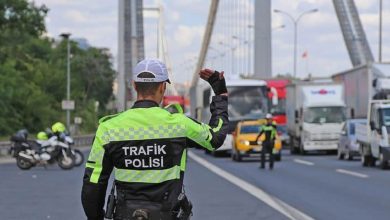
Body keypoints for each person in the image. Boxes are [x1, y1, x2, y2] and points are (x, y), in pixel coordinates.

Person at [81, 59, 229, 220]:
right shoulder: (179, 125)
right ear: (163, 87)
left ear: (135, 85)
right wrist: (220, 95)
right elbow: (215, 138)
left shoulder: (109, 129)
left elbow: (93, 183)